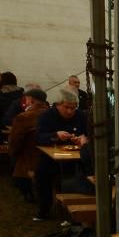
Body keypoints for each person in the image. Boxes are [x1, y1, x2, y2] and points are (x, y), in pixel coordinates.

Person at [33, 90, 88, 221]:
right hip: (51, 157)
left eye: (73, 108)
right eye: (66, 107)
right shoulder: (47, 115)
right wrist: (55, 135)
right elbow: (39, 136)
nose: (70, 111)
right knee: (42, 174)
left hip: (75, 157)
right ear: (57, 105)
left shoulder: (81, 116)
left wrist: (82, 139)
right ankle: (44, 209)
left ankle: (74, 210)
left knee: (81, 174)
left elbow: (88, 134)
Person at [8, 88, 48, 202]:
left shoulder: (23, 117)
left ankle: (29, 194)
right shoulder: (51, 113)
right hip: (48, 154)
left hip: (29, 157)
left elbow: (15, 140)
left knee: (19, 167)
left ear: (30, 100)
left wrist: (13, 152)